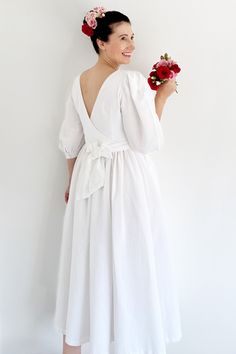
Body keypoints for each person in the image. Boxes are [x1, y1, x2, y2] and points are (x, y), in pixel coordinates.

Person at [53, 7, 182, 354]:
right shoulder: (129, 81)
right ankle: (129, 339)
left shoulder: (79, 81)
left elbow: (70, 141)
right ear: (100, 42)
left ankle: (74, 344)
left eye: (132, 37)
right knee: (130, 261)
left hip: (86, 182)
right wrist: (163, 96)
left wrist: (72, 184)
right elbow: (146, 141)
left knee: (87, 265)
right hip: (125, 179)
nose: (131, 45)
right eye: (122, 38)